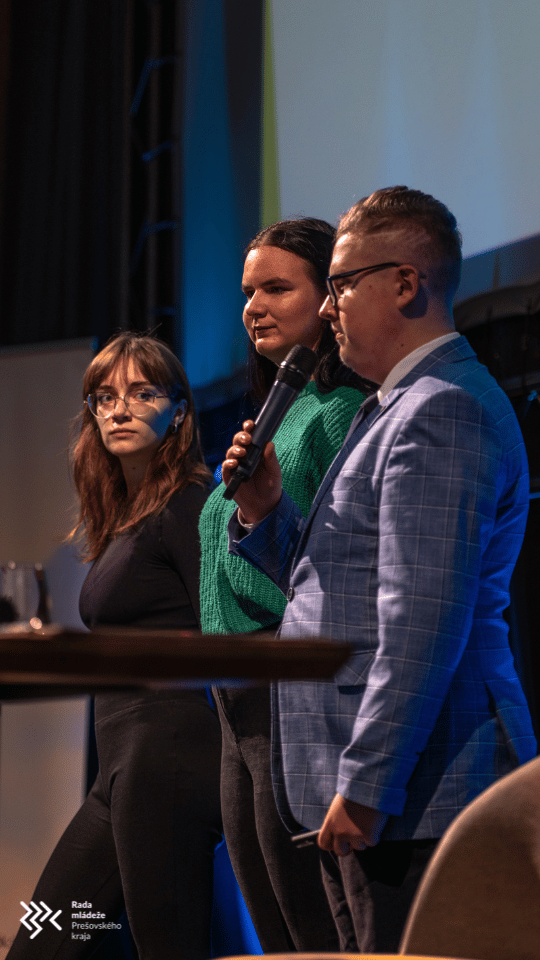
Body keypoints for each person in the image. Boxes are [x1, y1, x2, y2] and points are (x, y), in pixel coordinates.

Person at [223, 187, 537, 953]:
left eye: (340, 284)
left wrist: (367, 786)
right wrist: (266, 512)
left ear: (404, 283)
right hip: (384, 792)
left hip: (423, 793)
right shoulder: (392, 407)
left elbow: (422, 623)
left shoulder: (440, 408)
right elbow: (334, 586)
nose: (328, 308)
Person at [7, 333, 222, 960]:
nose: (119, 410)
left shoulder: (188, 505)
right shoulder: (129, 515)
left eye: (142, 393)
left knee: (168, 949)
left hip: (168, 760)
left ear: (178, 412)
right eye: (104, 397)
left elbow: (224, 628)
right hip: (121, 772)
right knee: (44, 942)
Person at [198, 217, 370, 952]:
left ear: (327, 299)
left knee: (312, 926)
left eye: (275, 288)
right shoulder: (281, 409)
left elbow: (335, 561)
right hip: (232, 698)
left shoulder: (343, 411)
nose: (253, 308)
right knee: (271, 927)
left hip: (284, 681)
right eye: (247, 292)